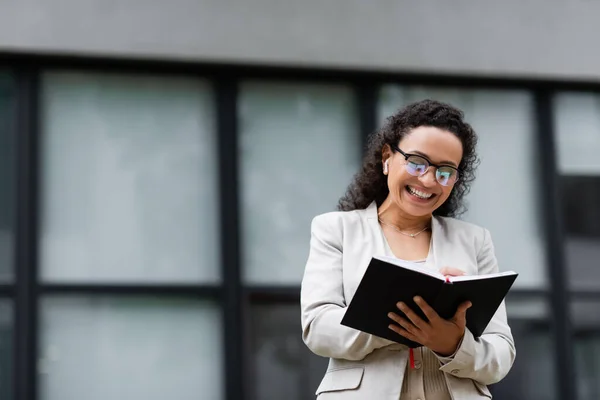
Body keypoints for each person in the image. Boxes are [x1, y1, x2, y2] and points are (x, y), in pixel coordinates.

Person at [300, 99, 515, 399]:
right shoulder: (336, 230)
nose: (427, 180)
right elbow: (318, 329)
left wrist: (452, 343)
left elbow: (501, 353)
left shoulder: (475, 241)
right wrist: (396, 322)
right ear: (388, 157)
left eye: (445, 172)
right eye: (417, 162)